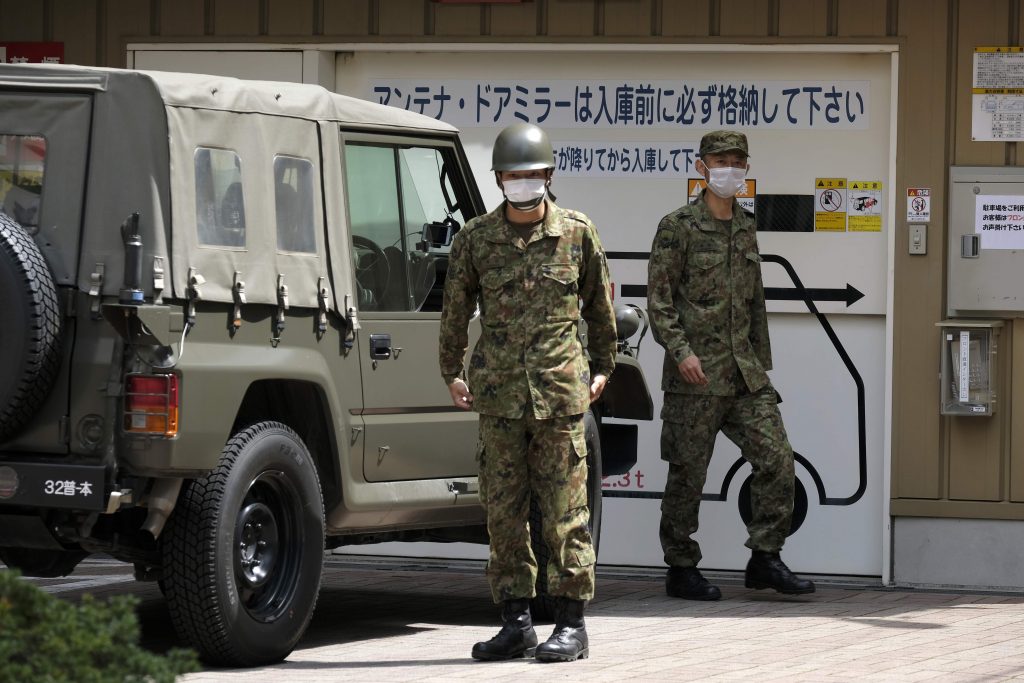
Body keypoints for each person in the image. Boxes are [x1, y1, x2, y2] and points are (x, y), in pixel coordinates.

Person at [438, 122, 616, 662]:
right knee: (504, 514)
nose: (524, 183)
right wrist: (450, 370)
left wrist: (604, 366)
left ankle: (571, 623)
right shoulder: (475, 239)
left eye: (533, 175)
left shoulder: (577, 233)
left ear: (548, 176)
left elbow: (599, 307)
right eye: (515, 175)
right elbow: (454, 310)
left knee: (565, 512)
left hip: (561, 396)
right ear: (498, 179)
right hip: (499, 399)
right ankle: (516, 622)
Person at [646, 130, 815, 601]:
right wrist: (682, 353)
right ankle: (681, 568)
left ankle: (765, 557)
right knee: (688, 475)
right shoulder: (677, 225)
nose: (730, 169)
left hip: (743, 375)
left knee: (778, 460)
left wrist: (761, 363)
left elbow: (754, 300)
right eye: (721, 160)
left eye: (738, 161)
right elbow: (658, 302)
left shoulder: (745, 225)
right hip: (694, 378)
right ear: (702, 166)